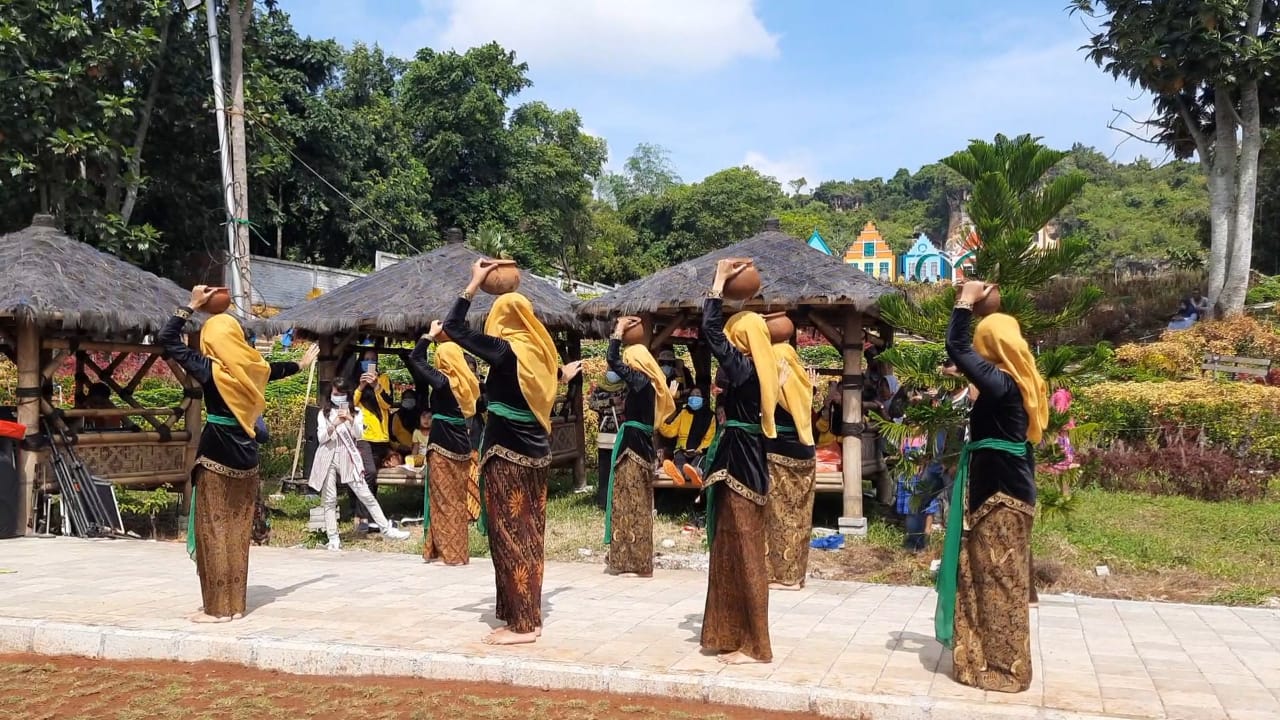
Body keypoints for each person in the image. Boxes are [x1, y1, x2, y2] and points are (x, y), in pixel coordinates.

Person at [159, 285, 317, 623]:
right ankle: (234, 605)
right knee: (236, 532)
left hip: (216, 452)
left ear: (212, 342)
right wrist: (300, 366)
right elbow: (271, 370)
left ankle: (218, 609)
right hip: (247, 458)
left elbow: (168, 340)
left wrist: (191, 306)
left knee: (214, 530)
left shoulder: (210, 370)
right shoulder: (250, 368)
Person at [444, 259, 583, 645]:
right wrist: (563, 376)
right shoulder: (539, 354)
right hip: (535, 455)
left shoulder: (505, 351)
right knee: (528, 533)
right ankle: (519, 610)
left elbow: (453, 328)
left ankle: (524, 626)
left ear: (503, 318)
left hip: (507, 455)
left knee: (510, 535)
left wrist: (472, 283)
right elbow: (541, 383)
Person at [937, 281, 1048, 693]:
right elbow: (965, 366)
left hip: (1001, 495)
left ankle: (1007, 671)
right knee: (991, 576)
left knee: (1001, 580)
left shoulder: (1002, 383)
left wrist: (964, 303)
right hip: (1002, 491)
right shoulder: (1012, 381)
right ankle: (984, 656)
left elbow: (957, 347)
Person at [699, 259, 779, 665]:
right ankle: (730, 633)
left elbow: (710, 333)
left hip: (743, 465)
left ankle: (756, 643)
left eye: (735, 337)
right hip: (738, 463)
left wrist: (716, 284)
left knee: (746, 553)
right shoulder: (749, 372)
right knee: (728, 550)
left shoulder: (745, 369)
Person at [603, 317, 675, 578]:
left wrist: (618, 333)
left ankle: (631, 561)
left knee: (629, 504)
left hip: (632, 446)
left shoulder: (640, 380)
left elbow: (613, 361)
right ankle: (633, 560)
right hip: (640, 445)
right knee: (638, 504)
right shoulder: (649, 385)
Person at [408, 321, 481, 566]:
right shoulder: (469, 383)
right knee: (457, 501)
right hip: (462, 444)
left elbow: (416, 359)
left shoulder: (442, 381)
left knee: (441, 500)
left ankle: (449, 553)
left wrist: (428, 336)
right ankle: (446, 550)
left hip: (441, 445)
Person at [308, 378, 411, 551]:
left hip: (347, 456)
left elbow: (359, 434)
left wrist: (349, 419)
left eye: (342, 394)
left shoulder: (355, 411)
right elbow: (322, 438)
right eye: (335, 394)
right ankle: (333, 537)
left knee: (365, 493)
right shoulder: (323, 414)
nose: (338, 397)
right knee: (330, 499)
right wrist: (334, 424)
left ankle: (385, 528)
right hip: (327, 457)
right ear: (330, 394)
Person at [764, 337, 817, 591]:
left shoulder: (774, 388)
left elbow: (764, 416)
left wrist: (773, 389)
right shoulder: (804, 388)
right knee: (800, 517)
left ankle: (783, 577)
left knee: (778, 517)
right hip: (806, 455)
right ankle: (796, 575)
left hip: (778, 452)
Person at [352, 350, 393, 533]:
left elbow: (387, 404)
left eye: (373, 360)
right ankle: (361, 517)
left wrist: (376, 385)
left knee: (372, 477)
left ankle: (369, 517)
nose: (369, 362)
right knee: (368, 472)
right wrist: (361, 387)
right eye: (365, 359)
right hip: (363, 435)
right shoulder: (355, 380)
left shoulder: (383, 379)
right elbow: (350, 404)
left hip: (381, 436)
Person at [659, 387, 715, 486]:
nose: (695, 397)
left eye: (698, 395)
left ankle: (695, 474)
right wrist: (659, 423)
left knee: (698, 462)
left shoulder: (710, 416)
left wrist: (698, 450)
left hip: (699, 452)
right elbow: (670, 431)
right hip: (682, 450)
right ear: (688, 398)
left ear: (703, 398)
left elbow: (709, 439)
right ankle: (679, 474)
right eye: (692, 395)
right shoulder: (683, 413)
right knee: (680, 458)